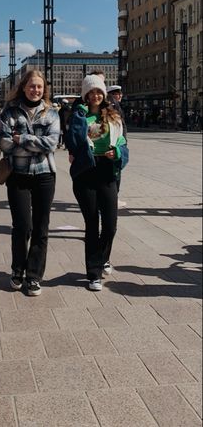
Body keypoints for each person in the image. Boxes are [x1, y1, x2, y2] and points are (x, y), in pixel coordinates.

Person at [0, 70, 60, 297]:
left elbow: (52, 143)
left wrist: (22, 139)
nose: (36, 90)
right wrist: (36, 143)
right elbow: (4, 144)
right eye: (32, 86)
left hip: (45, 175)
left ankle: (34, 276)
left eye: (40, 87)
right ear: (23, 87)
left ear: (44, 89)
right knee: (22, 226)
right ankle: (17, 269)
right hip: (18, 175)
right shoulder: (10, 111)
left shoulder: (52, 113)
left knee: (41, 228)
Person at [66, 75, 128, 291]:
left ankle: (101, 259)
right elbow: (72, 142)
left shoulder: (113, 116)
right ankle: (93, 273)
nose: (95, 95)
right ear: (85, 95)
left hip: (108, 172)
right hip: (86, 173)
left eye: (98, 92)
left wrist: (118, 153)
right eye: (91, 92)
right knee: (92, 224)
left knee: (110, 226)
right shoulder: (79, 116)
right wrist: (79, 118)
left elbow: (124, 144)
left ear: (104, 94)